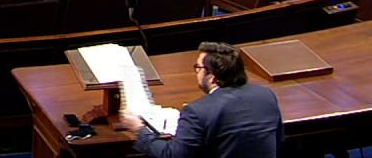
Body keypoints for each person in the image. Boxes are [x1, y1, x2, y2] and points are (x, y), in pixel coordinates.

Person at [113, 41, 282, 158]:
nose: (196, 72)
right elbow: (279, 139)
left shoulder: (198, 111)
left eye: (198, 68)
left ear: (212, 77)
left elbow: (172, 155)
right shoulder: (266, 95)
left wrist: (140, 129)